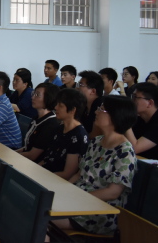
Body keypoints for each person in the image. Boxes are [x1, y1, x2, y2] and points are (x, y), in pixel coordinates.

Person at [50, 96, 137, 236]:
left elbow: (113, 192)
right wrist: (64, 192)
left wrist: (77, 198)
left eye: (102, 109)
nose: (96, 112)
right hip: (77, 199)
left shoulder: (125, 152)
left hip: (98, 211)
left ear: (116, 116)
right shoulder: (96, 142)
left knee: (40, 216)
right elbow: (79, 174)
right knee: (35, 206)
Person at [39, 89, 89, 180]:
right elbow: (46, 159)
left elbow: (67, 173)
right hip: (44, 173)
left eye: (60, 106)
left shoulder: (79, 136)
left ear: (73, 110)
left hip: (55, 180)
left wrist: (40, 177)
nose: (56, 107)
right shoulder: (59, 128)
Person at [17, 82, 60, 162]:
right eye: (34, 93)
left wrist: (12, 155)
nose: (33, 97)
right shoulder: (37, 118)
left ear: (48, 98)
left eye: (37, 95)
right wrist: (13, 152)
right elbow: (27, 147)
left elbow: (33, 155)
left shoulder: (51, 124)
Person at [125, 82, 158, 160]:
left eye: (135, 97)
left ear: (150, 103)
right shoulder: (139, 118)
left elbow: (134, 148)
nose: (131, 101)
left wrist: (125, 121)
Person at [77, 70, 105, 135]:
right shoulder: (84, 106)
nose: (78, 88)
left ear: (93, 91)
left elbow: (96, 134)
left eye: (81, 85)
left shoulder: (101, 106)